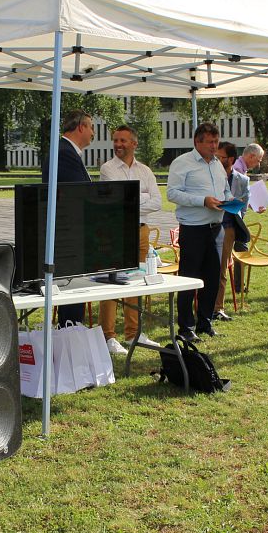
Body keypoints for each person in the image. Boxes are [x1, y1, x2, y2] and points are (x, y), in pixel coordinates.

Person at [98, 125, 163, 355]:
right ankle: (107, 336)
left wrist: (133, 198)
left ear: (134, 144)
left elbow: (158, 202)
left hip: (141, 231)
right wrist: (141, 197)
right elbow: (116, 200)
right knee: (112, 282)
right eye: (115, 140)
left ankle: (133, 333)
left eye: (123, 140)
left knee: (136, 281)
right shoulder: (107, 169)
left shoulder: (145, 171)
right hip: (116, 231)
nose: (118, 144)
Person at [167, 122, 230, 342]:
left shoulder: (217, 164)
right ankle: (186, 327)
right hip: (193, 229)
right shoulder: (182, 163)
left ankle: (205, 322)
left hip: (215, 228)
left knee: (212, 279)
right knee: (189, 279)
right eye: (210, 142)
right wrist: (201, 201)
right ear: (197, 142)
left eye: (216, 141)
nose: (214, 146)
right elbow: (172, 193)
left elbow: (225, 189)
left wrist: (230, 201)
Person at [42, 110, 93, 327]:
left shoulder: (67, 152)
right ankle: (70, 332)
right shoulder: (64, 153)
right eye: (91, 127)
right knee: (72, 293)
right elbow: (76, 194)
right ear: (80, 127)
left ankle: (73, 330)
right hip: (68, 233)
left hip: (72, 232)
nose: (93, 133)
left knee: (76, 291)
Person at [213, 142, 251, 321]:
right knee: (205, 267)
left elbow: (243, 207)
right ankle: (201, 305)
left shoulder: (242, 180)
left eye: (220, 157)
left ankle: (217, 308)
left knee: (221, 269)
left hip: (228, 228)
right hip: (208, 225)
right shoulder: (210, 175)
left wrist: (233, 206)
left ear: (231, 159)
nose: (217, 159)